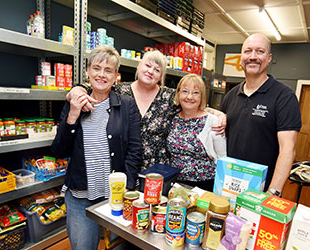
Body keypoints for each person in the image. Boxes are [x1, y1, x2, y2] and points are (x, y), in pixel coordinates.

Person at [51, 46, 142, 250]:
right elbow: (59, 150)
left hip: (115, 195)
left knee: (118, 246)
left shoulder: (126, 105)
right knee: (82, 249)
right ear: (88, 71)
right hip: (80, 193)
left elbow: (135, 149)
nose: (102, 74)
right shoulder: (74, 102)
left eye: (108, 70)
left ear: (116, 77)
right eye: (97, 68)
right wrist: (72, 114)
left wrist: (129, 189)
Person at [67, 50, 226, 171]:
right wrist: (75, 90)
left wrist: (218, 114)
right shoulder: (119, 90)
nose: (151, 71)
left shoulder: (169, 96)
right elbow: (94, 86)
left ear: (161, 76)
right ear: (139, 66)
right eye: (148, 66)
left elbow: (192, 104)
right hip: (123, 166)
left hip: (158, 170)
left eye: (157, 70)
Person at [221, 33, 301, 197]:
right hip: (228, 183)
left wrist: (273, 192)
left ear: (269, 57)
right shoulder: (231, 95)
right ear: (241, 57)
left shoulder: (284, 96)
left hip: (262, 189)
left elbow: (288, 149)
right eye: (248, 51)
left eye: (260, 51)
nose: (253, 57)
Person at [167, 74, 226, 191]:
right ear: (178, 94)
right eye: (185, 91)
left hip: (205, 185)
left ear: (202, 97)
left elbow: (222, 158)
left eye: (195, 93)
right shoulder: (172, 118)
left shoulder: (213, 121)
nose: (190, 97)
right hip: (176, 183)